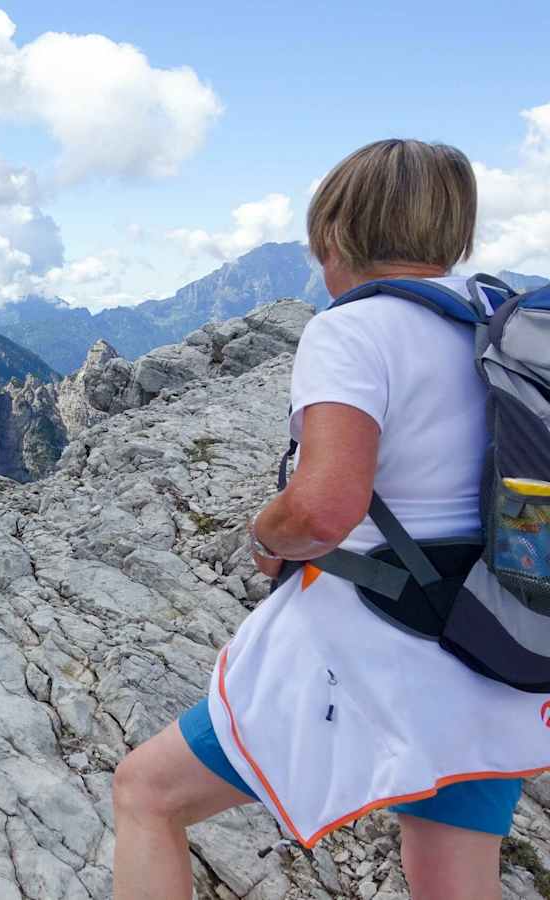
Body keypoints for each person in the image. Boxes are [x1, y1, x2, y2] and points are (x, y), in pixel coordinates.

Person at [111, 139, 549, 900]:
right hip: (497, 642)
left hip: (381, 647)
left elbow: (323, 506)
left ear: (334, 234)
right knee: (455, 880)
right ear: (457, 235)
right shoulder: (502, 322)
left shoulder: (353, 330)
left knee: (147, 794)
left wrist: (263, 537)